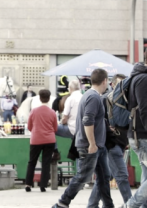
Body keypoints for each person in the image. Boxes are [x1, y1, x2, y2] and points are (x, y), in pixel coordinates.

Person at [52, 69, 114, 208]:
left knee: (105, 177)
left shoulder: (89, 95)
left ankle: (109, 205)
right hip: (90, 145)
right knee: (83, 176)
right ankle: (62, 203)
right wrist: (92, 143)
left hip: (99, 145)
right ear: (104, 81)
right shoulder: (93, 97)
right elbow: (88, 121)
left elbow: (93, 120)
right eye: (107, 82)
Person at [89, 74, 132, 207]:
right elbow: (95, 120)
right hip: (111, 143)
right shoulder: (104, 99)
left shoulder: (127, 101)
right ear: (112, 85)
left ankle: (92, 204)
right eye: (119, 85)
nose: (122, 89)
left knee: (105, 177)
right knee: (121, 176)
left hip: (120, 142)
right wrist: (107, 127)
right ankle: (131, 204)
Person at [122, 62, 147, 208]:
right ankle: (130, 205)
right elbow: (144, 109)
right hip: (142, 136)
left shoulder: (137, 77)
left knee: (145, 176)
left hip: (139, 135)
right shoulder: (143, 79)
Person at [25, 89, 57, 192]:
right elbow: (55, 128)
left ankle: (28, 184)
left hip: (36, 140)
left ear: (39, 98)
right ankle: (43, 185)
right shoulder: (52, 112)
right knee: (46, 162)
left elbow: (29, 126)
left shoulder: (34, 111)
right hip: (49, 140)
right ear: (48, 99)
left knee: (32, 162)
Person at [53, 80, 82, 159]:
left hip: (71, 129)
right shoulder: (84, 97)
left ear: (70, 88)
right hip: (82, 130)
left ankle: (55, 151)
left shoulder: (70, 99)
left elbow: (65, 118)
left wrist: (61, 123)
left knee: (51, 128)